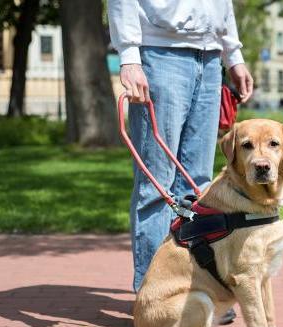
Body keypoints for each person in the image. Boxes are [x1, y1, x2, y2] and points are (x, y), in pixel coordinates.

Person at [107, 1, 254, 308]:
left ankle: (194, 295)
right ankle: (154, 300)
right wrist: (130, 57)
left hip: (210, 58)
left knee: (198, 187)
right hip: (160, 52)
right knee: (157, 186)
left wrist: (233, 55)